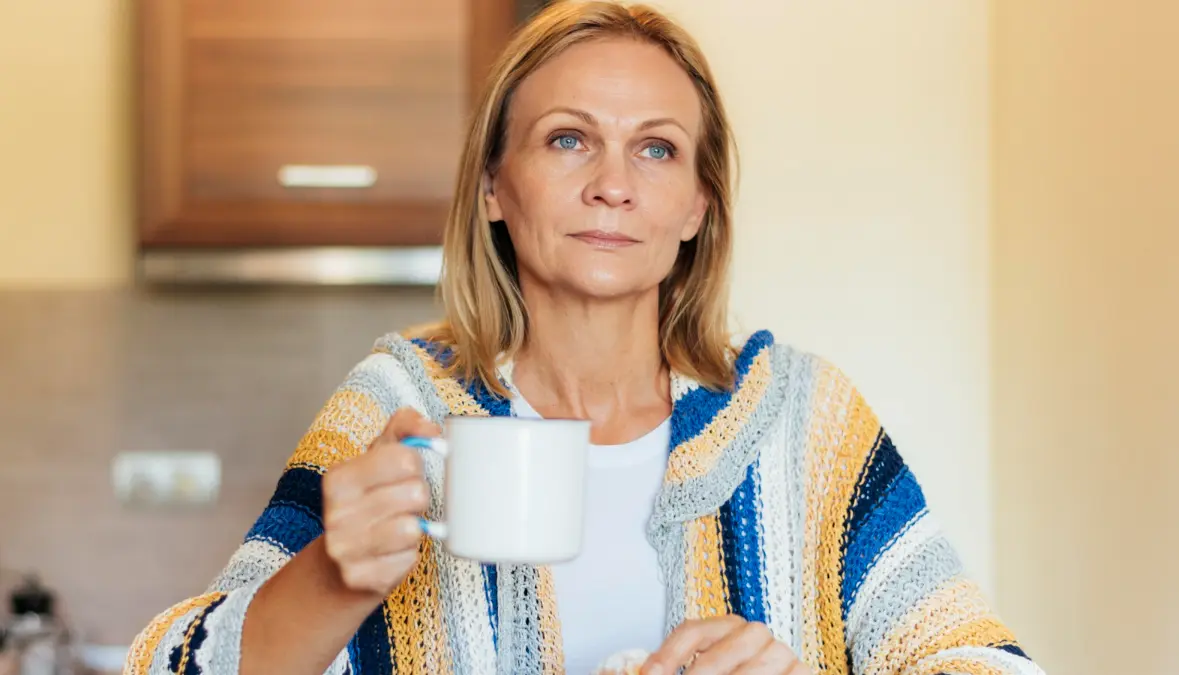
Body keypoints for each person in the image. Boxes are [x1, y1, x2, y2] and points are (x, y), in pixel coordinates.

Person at [124, 2, 1044, 674]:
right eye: (568, 139)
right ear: (494, 186)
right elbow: (170, 667)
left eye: (656, 148)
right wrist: (333, 575)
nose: (614, 183)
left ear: (696, 206)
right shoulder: (400, 402)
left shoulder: (802, 418)